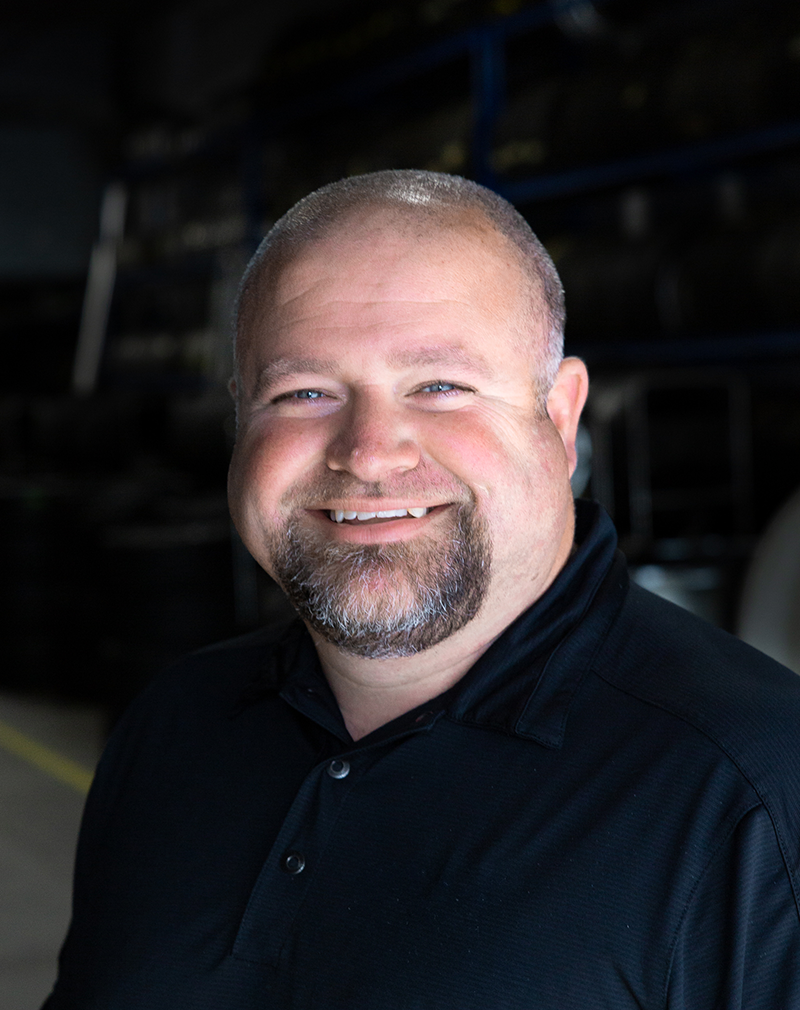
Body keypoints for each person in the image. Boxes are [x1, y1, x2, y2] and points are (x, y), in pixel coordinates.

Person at [45, 170, 800, 1009]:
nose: (368, 452)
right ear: (239, 421)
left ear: (561, 414)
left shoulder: (759, 794)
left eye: (440, 385)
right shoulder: (174, 726)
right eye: (303, 392)